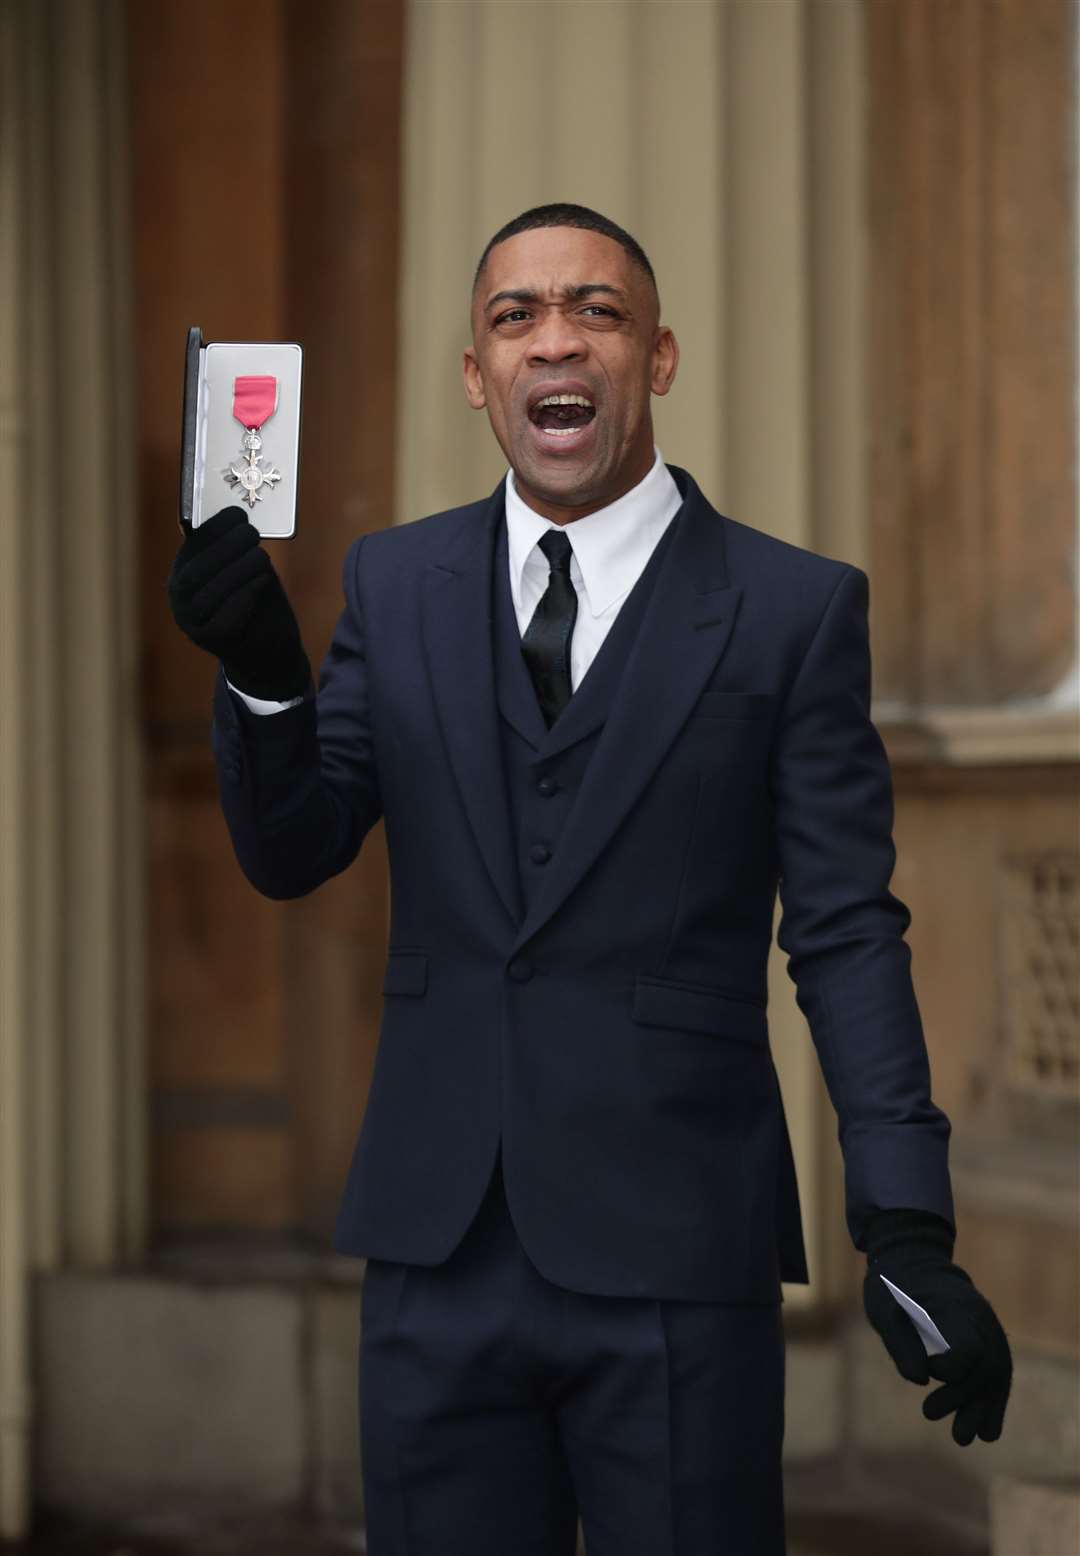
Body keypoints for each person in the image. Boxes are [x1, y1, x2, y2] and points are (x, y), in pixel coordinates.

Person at [168, 202, 1012, 1556]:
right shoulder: (396, 583)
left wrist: (905, 1224)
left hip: (680, 1259)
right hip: (436, 1255)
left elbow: (849, 932)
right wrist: (265, 676)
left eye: (597, 312)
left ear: (658, 357)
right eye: (516, 316)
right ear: (475, 373)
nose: (555, 340)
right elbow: (293, 851)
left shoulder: (794, 612)